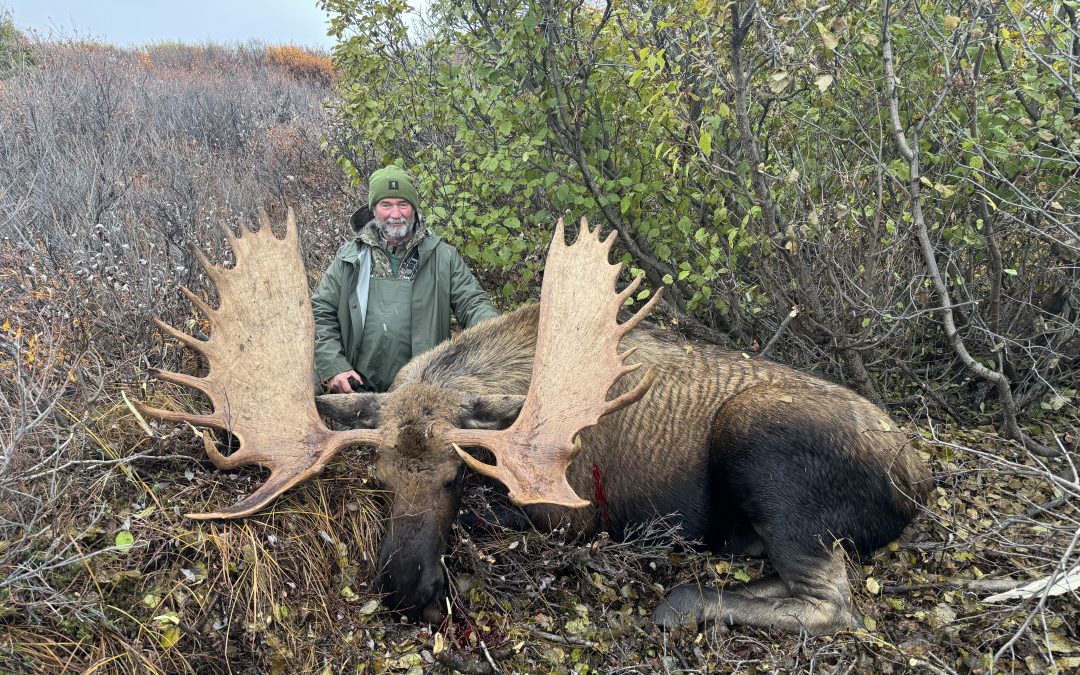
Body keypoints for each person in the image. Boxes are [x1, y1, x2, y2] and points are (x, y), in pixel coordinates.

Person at [312, 165, 499, 393]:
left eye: (403, 204)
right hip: (356, 396)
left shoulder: (443, 257)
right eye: (386, 205)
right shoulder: (350, 258)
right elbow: (320, 313)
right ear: (373, 209)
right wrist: (334, 367)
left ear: (413, 208)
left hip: (424, 394)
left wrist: (496, 337)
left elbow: (474, 305)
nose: (395, 214)